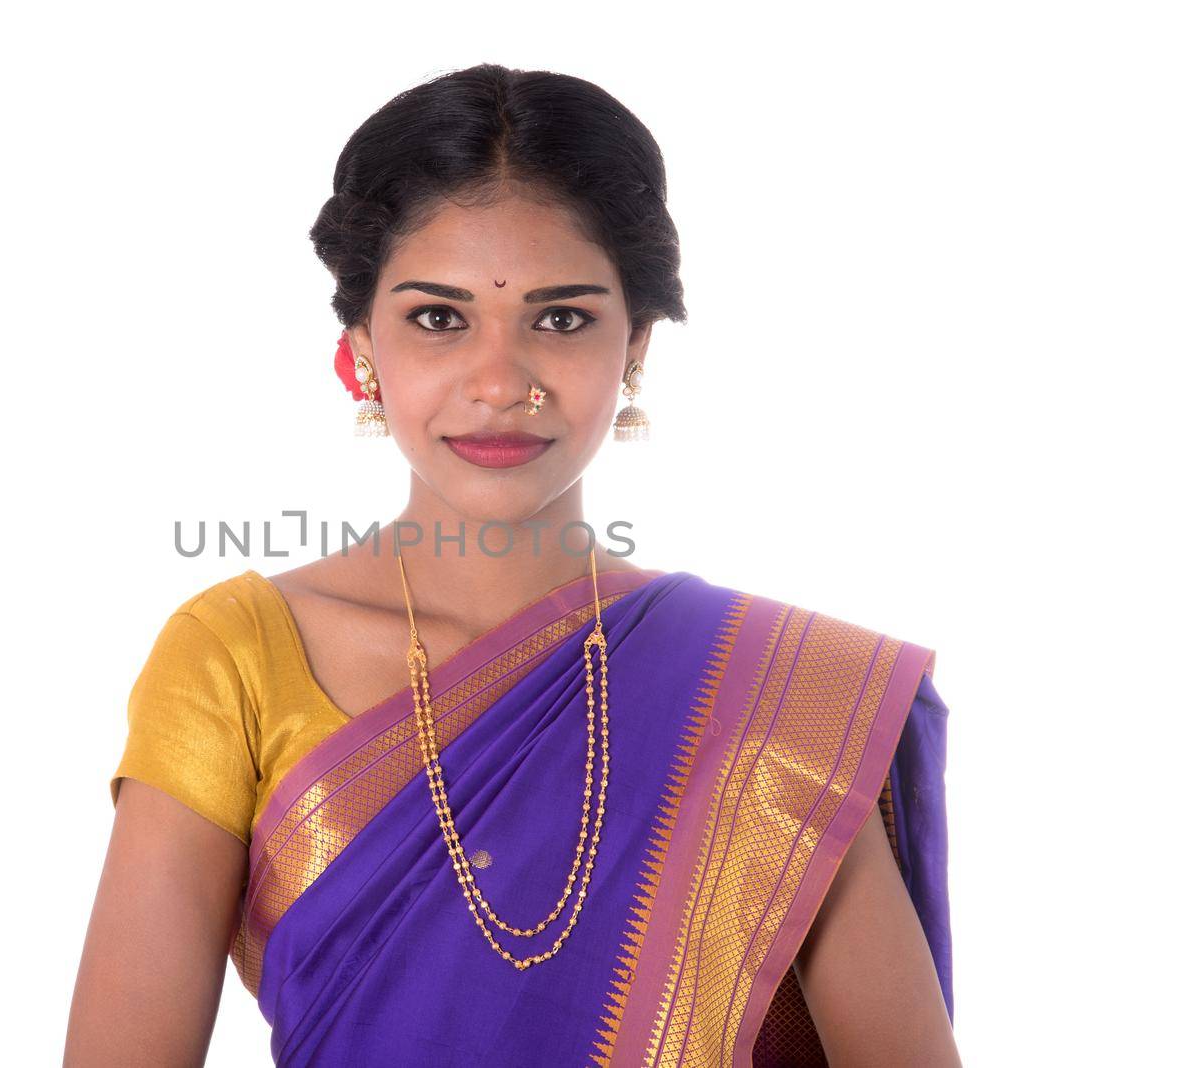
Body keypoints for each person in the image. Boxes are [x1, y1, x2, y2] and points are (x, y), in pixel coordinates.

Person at [65, 63, 958, 1068]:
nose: (499, 382)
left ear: (637, 347)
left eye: (562, 317)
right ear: (360, 347)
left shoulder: (768, 697)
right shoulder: (233, 660)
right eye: (438, 318)